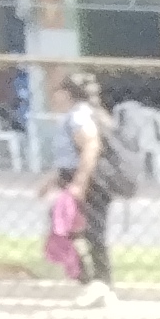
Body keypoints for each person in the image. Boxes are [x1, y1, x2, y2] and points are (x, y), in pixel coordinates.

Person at [54, 66, 121, 302]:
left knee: (87, 232)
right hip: (80, 181)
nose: (55, 95)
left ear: (68, 93)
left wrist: (79, 184)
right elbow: (70, 156)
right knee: (80, 231)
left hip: (90, 183)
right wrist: (53, 180)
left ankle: (97, 282)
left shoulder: (79, 116)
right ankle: (99, 283)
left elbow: (91, 146)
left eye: (58, 90)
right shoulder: (82, 113)